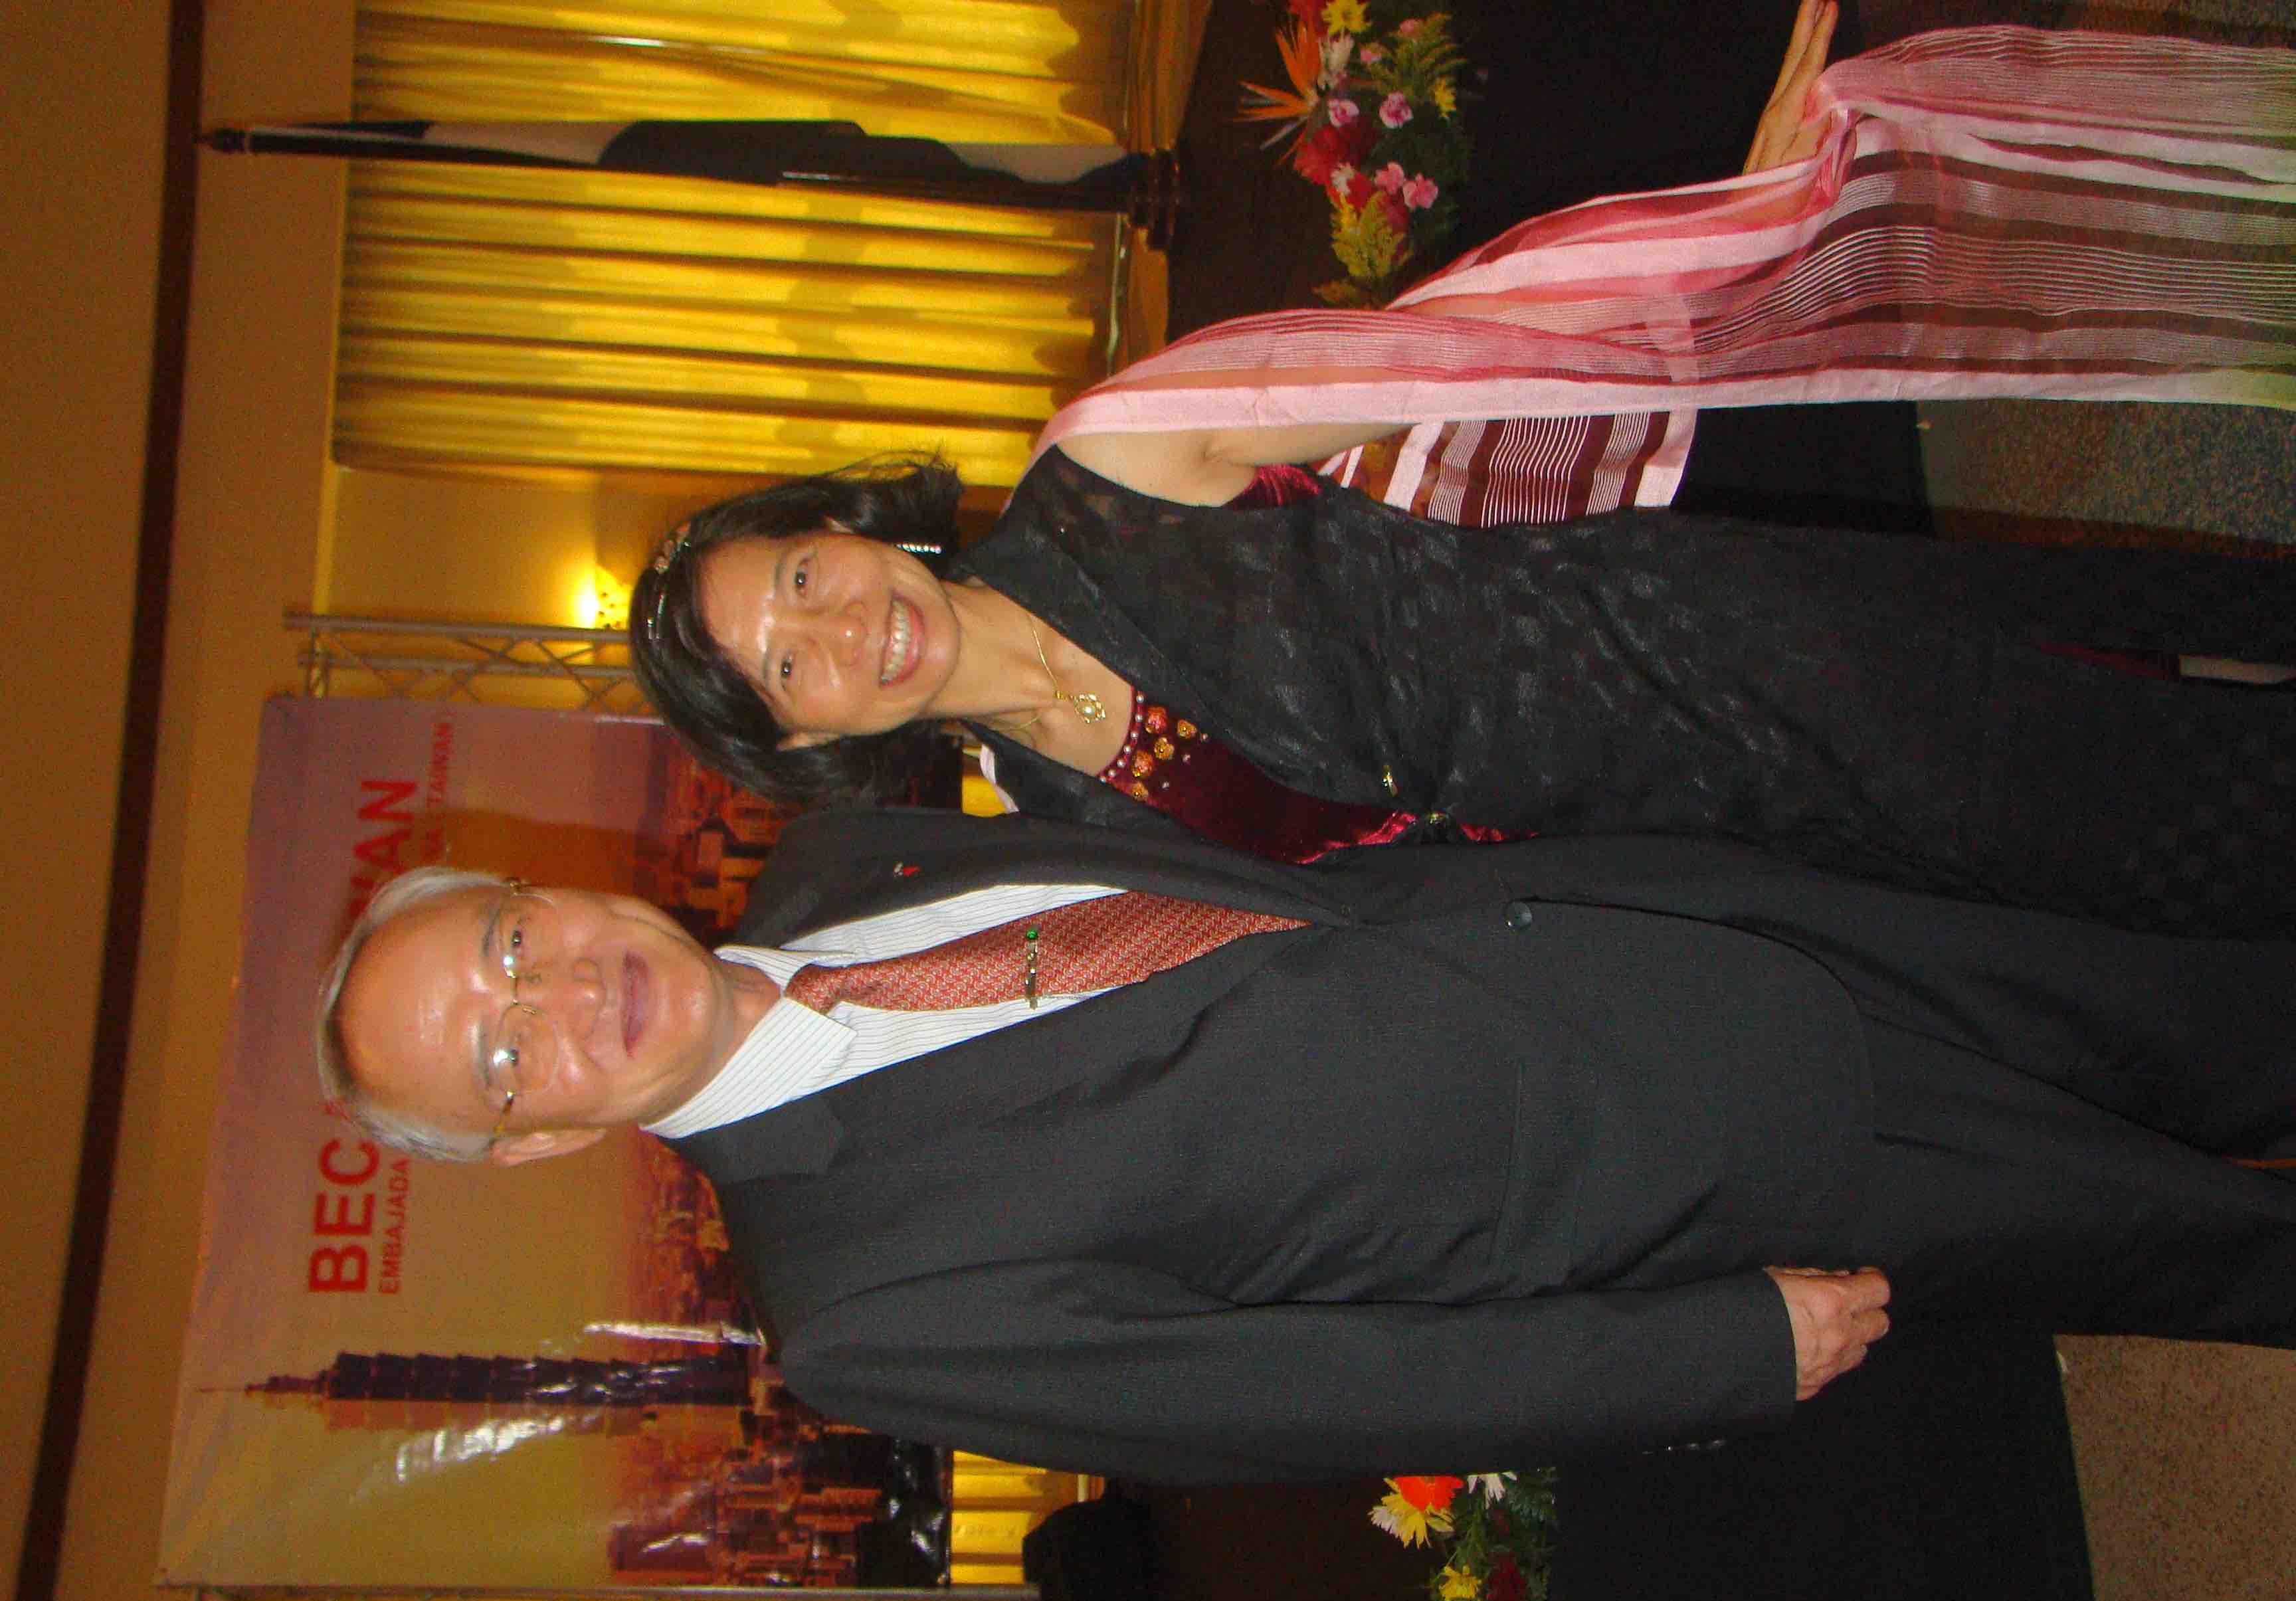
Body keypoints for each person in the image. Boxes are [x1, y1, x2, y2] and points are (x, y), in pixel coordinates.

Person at [629, 10, 2296, 937]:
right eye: (787, 669)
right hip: (1662, 865)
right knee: (2061, 871)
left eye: (800, 578)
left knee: (2085, 767)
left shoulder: (1107, 472)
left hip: (1705, 657)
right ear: (809, 742)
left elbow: (1464, 350)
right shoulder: (1060, 826)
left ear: (850, 527)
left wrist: (1738, 222)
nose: (838, 631)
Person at [317, 807, 2296, 1484]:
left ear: (543, 892)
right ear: (530, 1146)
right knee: (2172, 1229)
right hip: (1686, 1154)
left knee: (2169, 1007)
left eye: (508, 944)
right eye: (500, 1057)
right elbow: (1303, 1396)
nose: (554, 998)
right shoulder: (863, 1314)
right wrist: (1708, 1352)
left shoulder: (850, 860)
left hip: (1659, 919)